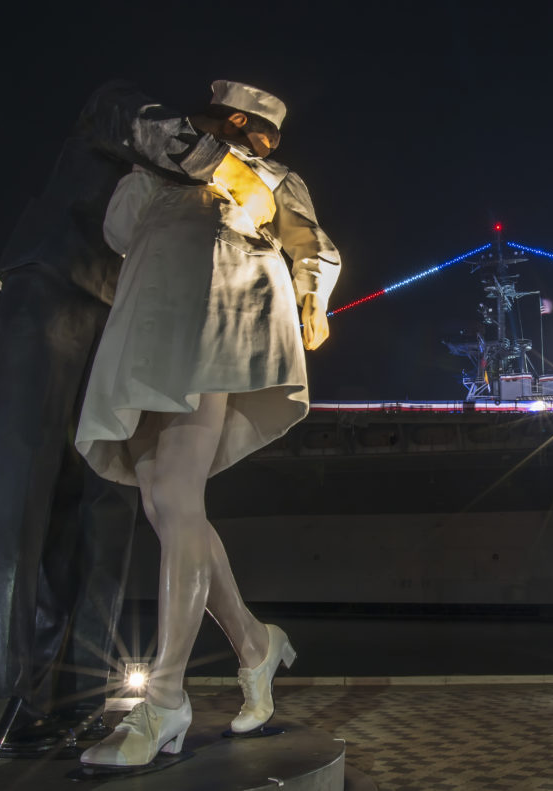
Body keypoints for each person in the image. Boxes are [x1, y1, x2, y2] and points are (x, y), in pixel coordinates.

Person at [0, 81, 238, 728]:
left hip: (124, 318)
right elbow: (151, 129)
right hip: (54, 281)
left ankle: (72, 702)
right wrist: (229, 165)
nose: (249, 151)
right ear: (222, 121)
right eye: (246, 135)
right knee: (13, 484)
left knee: (106, 507)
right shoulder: (127, 114)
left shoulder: (194, 190)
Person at [75, 80, 340, 767]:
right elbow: (119, 225)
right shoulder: (161, 167)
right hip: (152, 322)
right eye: (257, 132)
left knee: (176, 497)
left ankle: (165, 699)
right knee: (168, 503)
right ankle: (255, 643)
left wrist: (314, 295)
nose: (264, 146)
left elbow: (311, 241)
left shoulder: (272, 180)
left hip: (227, 312)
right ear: (233, 121)